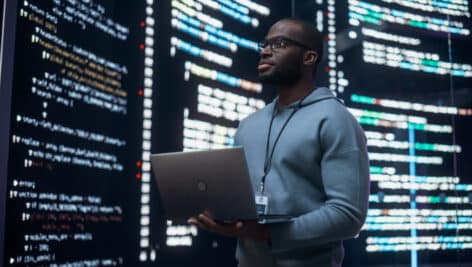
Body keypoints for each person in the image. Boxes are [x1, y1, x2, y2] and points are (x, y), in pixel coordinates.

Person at [188, 18, 370, 267]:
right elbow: (239, 201)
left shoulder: (336, 119)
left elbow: (348, 216)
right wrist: (219, 215)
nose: (265, 51)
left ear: (309, 58)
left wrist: (269, 234)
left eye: (279, 44)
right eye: (264, 44)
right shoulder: (248, 125)